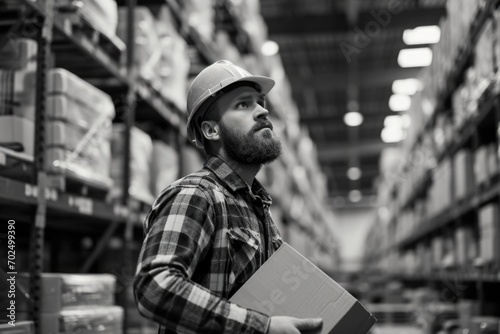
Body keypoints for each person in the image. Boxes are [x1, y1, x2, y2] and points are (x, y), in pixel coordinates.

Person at [134, 60, 323, 334]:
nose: (262, 111)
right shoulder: (197, 194)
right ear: (212, 130)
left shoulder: (257, 206)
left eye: (260, 102)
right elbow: (154, 286)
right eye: (243, 105)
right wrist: (262, 328)